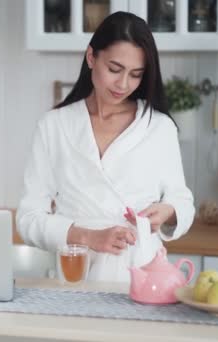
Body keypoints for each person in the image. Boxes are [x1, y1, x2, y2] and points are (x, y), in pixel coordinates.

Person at [16, 12, 195, 283]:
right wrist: (88, 237)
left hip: (142, 275)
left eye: (136, 75)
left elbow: (181, 201)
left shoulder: (158, 127)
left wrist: (168, 212)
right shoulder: (54, 125)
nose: (123, 85)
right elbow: (28, 218)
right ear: (91, 58)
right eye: (114, 69)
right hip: (76, 273)